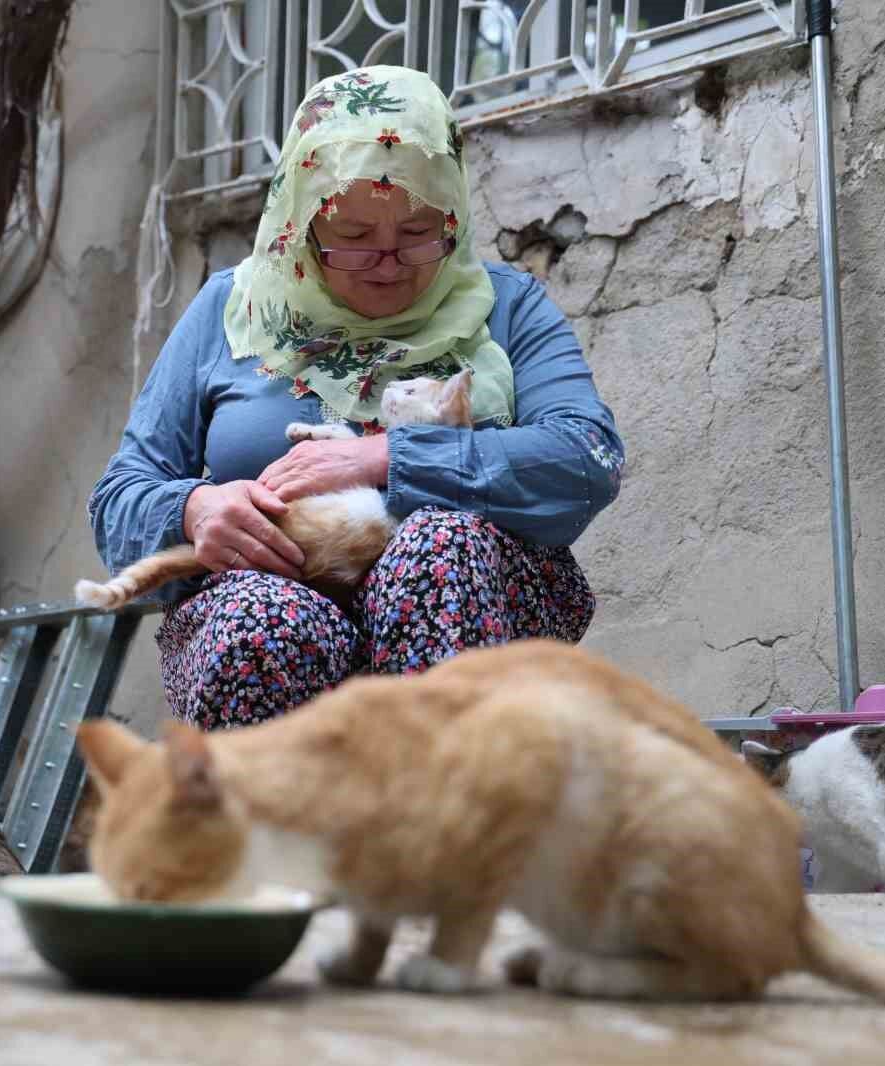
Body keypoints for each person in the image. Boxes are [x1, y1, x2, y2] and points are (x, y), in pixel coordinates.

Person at [88, 66, 624, 730]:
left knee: (439, 547)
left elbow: (588, 454)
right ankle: (282, 822)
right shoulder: (232, 310)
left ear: (452, 215)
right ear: (303, 223)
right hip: (275, 605)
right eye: (353, 237)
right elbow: (119, 499)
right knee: (260, 626)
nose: (388, 261)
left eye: (416, 233)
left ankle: (454, 819)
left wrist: (387, 461)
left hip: (472, 609)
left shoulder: (506, 307)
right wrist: (195, 509)